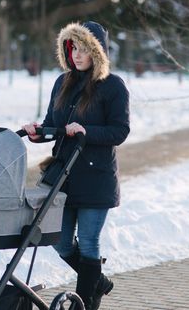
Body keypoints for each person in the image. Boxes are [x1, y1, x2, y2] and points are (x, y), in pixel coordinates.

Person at [22, 21, 130, 310]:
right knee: (61, 243)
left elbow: (120, 131)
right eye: (73, 49)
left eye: (84, 50)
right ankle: (98, 281)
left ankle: (84, 305)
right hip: (63, 176)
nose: (78, 56)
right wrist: (37, 132)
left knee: (89, 241)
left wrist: (86, 131)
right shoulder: (62, 82)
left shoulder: (113, 86)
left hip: (96, 176)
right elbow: (51, 125)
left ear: (98, 52)